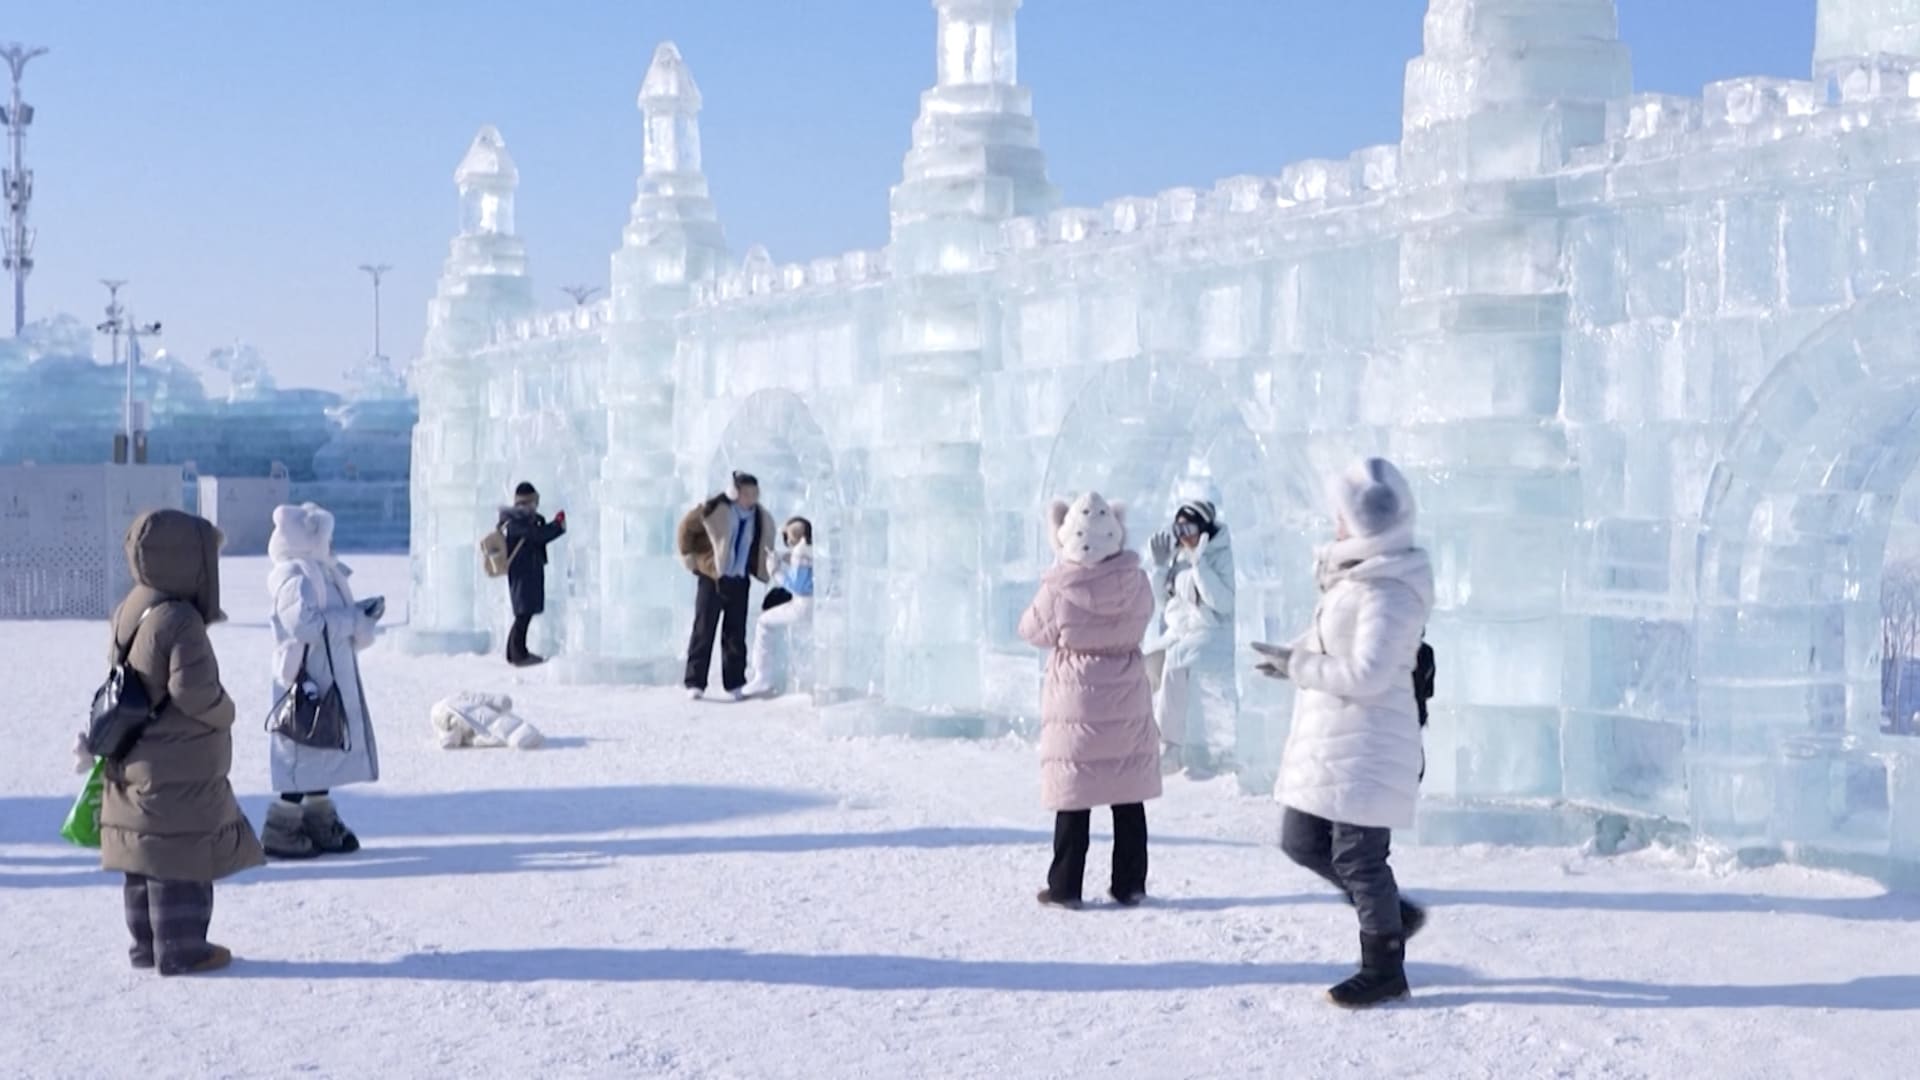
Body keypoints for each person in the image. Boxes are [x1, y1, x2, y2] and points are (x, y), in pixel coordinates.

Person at [1255, 457, 1433, 1008]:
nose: (1333, 523)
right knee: (1302, 840)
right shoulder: (1356, 580)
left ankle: (1384, 966)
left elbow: (1369, 674)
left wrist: (1298, 668)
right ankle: (1393, 913)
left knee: (1359, 856)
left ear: (1363, 523)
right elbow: (1326, 639)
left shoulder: (1389, 591)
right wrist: (1293, 653)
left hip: (1371, 743)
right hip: (1336, 740)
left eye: (1341, 514)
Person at [98, 508, 264, 975]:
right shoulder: (180, 620)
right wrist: (226, 711)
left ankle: (145, 946)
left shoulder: (131, 606)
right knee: (181, 855)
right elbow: (193, 692)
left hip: (134, 752)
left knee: (142, 850)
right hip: (178, 762)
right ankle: (182, 949)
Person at [1018, 492, 1160, 909]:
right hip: (1126, 693)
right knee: (1127, 793)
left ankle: (1065, 887)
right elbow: (1146, 613)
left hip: (1075, 700)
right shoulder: (1136, 582)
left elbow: (1031, 630)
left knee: (1073, 795)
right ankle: (1130, 884)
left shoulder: (1060, 586)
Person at [262, 503, 385, 860]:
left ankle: (319, 818)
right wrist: (352, 618)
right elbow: (306, 625)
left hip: (327, 673)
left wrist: (359, 612)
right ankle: (281, 826)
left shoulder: (319, 571)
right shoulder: (293, 577)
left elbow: (324, 616)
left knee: (325, 745)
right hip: (307, 679)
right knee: (303, 748)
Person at [1143, 498, 1238, 778]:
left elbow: (1222, 603)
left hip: (1213, 631)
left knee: (1176, 660)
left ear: (1205, 527)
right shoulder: (1179, 555)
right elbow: (1162, 602)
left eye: (1191, 528)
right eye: (1179, 528)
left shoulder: (1221, 554)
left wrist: (1201, 565)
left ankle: (1170, 746)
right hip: (1180, 632)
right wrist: (1160, 569)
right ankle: (1139, 736)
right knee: (1146, 661)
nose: (1185, 535)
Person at [677, 471, 777, 701]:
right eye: (746, 493)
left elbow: (764, 542)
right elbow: (686, 528)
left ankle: (734, 682)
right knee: (704, 628)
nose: (751, 497)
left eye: (755, 493)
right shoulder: (715, 509)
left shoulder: (760, 516)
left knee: (735, 632)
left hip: (739, 579)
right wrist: (689, 556)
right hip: (713, 577)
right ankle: (695, 681)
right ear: (735, 492)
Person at [742, 516, 816, 697]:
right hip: (814, 605)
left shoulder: (800, 551)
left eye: (788, 536)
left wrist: (776, 572)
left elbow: (799, 587)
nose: (787, 540)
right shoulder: (811, 549)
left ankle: (763, 675)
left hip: (802, 605)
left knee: (763, 623)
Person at [497, 482, 567, 666]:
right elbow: (537, 535)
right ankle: (518, 655)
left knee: (523, 613)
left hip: (525, 571)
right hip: (523, 572)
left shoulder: (517, 521)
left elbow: (535, 534)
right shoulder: (518, 521)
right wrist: (557, 526)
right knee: (523, 614)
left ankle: (513, 653)